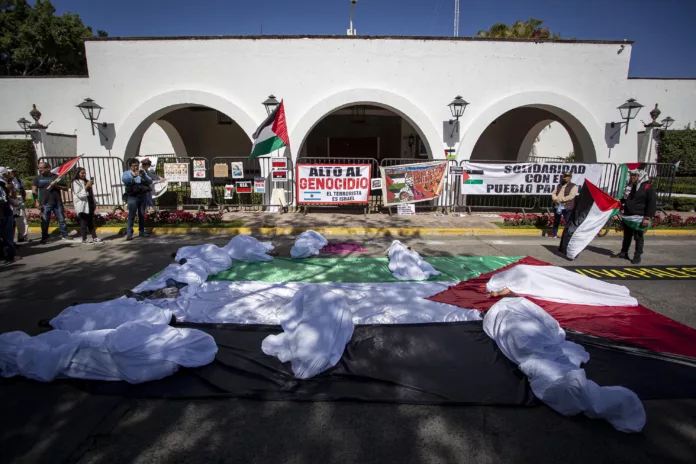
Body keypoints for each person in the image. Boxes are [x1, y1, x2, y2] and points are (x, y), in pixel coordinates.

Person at [613, 169, 656, 264]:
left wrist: (647, 218)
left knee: (638, 236)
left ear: (640, 177)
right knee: (627, 236)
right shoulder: (630, 187)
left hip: (639, 217)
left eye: (635, 175)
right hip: (628, 215)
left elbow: (651, 204)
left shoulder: (648, 188)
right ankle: (624, 252)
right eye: (632, 175)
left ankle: (637, 255)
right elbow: (624, 199)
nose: (632, 177)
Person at [32, 161, 69, 244]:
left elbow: (66, 188)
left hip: (57, 202)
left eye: (41, 168)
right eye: (38, 168)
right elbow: (34, 191)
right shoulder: (37, 178)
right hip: (44, 203)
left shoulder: (56, 177)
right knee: (45, 221)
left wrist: (56, 185)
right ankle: (44, 237)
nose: (39, 169)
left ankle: (64, 234)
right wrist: (36, 202)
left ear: (48, 168)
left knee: (61, 219)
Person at [122, 158, 153, 241]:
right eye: (134, 166)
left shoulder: (142, 172)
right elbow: (126, 182)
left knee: (142, 214)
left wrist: (143, 176)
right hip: (132, 196)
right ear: (130, 166)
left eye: (137, 165)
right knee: (131, 215)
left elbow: (150, 181)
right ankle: (129, 233)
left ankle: (141, 231)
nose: (136, 167)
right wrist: (135, 177)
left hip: (142, 195)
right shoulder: (126, 173)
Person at [73, 167, 103, 244]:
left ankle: (95, 237)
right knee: (84, 222)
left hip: (89, 203)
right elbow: (79, 195)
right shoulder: (76, 182)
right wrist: (86, 187)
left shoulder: (86, 181)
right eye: (82, 173)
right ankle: (84, 239)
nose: (84, 174)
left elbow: (91, 194)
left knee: (90, 222)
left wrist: (94, 202)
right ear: (78, 174)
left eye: (84, 173)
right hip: (82, 205)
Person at [548, 172, 578, 238]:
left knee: (568, 221)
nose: (565, 178)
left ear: (570, 178)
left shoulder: (573, 186)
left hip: (567, 206)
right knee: (556, 220)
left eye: (567, 177)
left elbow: (572, 195)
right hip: (557, 205)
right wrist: (555, 199)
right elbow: (553, 193)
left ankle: (568, 234)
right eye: (564, 176)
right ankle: (554, 234)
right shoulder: (559, 185)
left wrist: (562, 199)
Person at [6, 169, 29, 243]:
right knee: (11, 221)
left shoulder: (19, 181)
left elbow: (23, 190)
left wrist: (23, 199)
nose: (11, 174)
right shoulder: (5, 182)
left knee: (22, 220)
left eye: (12, 172)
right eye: (9, 172)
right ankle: (10, 240)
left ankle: (22, 236)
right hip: (11, 204)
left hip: (19, 202)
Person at [0, 168, 18, 263]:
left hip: (6, 211)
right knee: (7, 236)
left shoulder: (5, 184)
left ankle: (8, 255)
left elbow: (10, 197)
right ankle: (9, 255)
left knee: (6, 236)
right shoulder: (4, 184)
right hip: (5, 212)